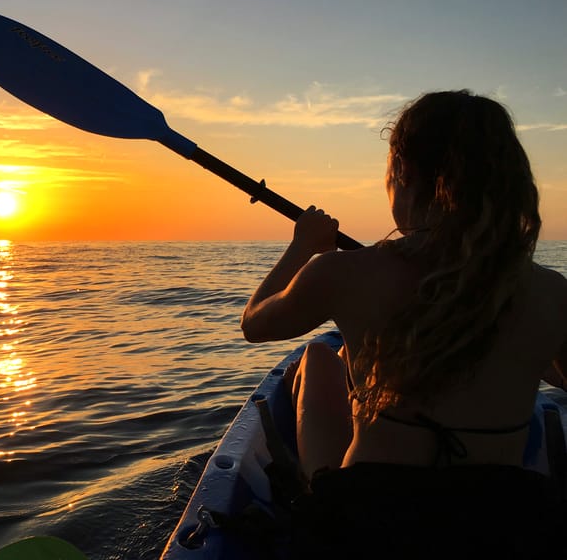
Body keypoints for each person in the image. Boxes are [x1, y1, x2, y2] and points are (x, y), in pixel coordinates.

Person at [240, 90, 567, 557]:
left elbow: (255, 323)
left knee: (317, 355)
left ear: (404, 176)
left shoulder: (342, 273)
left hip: (369, 518)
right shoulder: (552, 292)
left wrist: (304, 245)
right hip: (504, 519)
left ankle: (316, 487)